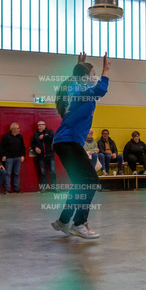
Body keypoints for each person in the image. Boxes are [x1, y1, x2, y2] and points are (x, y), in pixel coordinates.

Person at [50, 52, 109, 239]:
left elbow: (80, 83)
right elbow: (100, 90)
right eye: (93, 74)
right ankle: (79, 223)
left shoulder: (77, 87)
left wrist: (79, 66)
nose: (95, 77)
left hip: (67, 143)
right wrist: (106, 70)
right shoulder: (80, 90)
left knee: (81, 184)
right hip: (68, 143)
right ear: (84, 77)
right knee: (91, 181)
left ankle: (63, 221)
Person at [0, 122, 26, 193]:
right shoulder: (6, 136)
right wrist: (3, 155)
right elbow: (1, 147)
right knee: (8, 173)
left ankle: (17, 189)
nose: (19, 129)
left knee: (17, 173)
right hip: (9, 158)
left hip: (18, 158)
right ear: (13, 129)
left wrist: (23, 155)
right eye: (18, 128)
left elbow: (22, 147)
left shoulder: (20, 136)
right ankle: (7, 189)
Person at [31, 120, 57, 191]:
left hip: (50, 155)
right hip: (41, 156)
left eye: (40, 126)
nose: (39, 127)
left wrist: (45, 136)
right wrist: (35, 148)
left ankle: (54, 188)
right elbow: (33, 143)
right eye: (38, 126)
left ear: (44, 126)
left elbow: (53, 138)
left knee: (52, 171)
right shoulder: (36, 134)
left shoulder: (50, 131)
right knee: (43, 173)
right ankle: (44, 188)